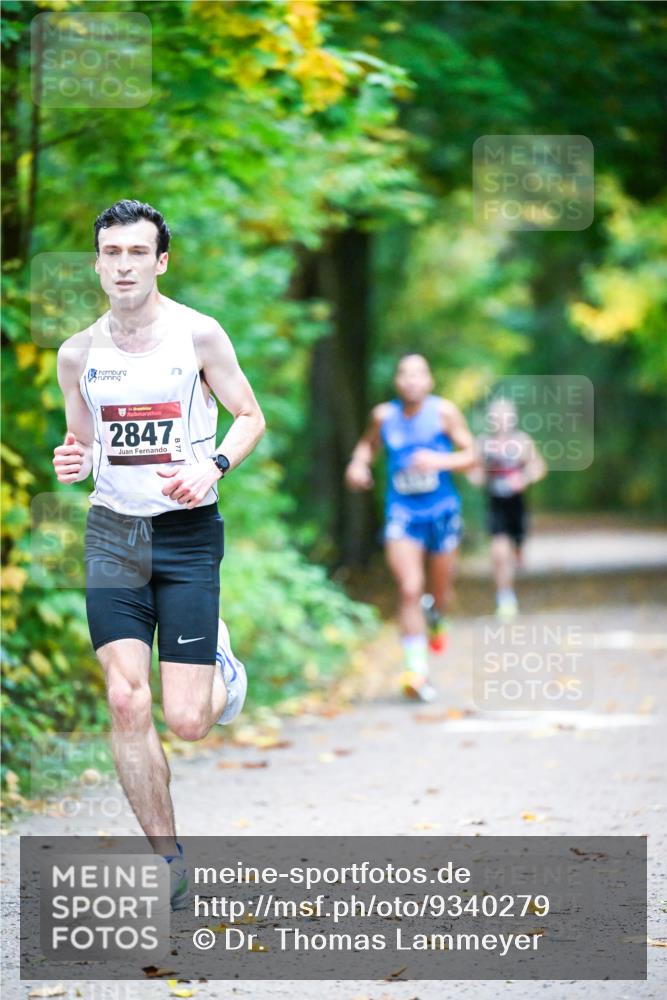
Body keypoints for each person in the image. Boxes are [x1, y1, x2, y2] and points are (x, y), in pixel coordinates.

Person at [52, 199, 266, 908]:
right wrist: (72, 460)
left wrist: (215, 467)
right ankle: (169, 858)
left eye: (136, 253)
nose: (122, 265)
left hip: (186, 534)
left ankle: (218, 662)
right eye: (111, 253)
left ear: (160, 260)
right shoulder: (78, 354)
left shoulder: (198, 336)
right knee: (124, 698)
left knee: (188, 720)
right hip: (114, 532)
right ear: (97, 262)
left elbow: (249, 417)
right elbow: (81, 445)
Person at [345, 354, 476, 702]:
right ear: (397, 382)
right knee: (409, 589)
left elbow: (472, 454)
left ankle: (437, 617)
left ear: (429, 381)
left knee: (440, 593)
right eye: (405, 374)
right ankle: (415, 671)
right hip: (402, 513)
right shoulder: (384, 416)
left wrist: (440, 460)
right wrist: (358, 465)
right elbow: (366, 447)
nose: (412, 380)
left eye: (419, 374)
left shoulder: (444, 412)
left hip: (442, 512)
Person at [471, 397, 546, 618]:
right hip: (496, 505)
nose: (500, 421)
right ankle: (505, 597)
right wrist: (477, 476)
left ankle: (519, 551)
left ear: (512, 419)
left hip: (517, 504)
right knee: (499, 552)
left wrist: (523, 478)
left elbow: (538, 467)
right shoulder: (483, 443)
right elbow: (474, 470)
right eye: (495, 417)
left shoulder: (522, 442)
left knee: (516, 548)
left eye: (504, 416)